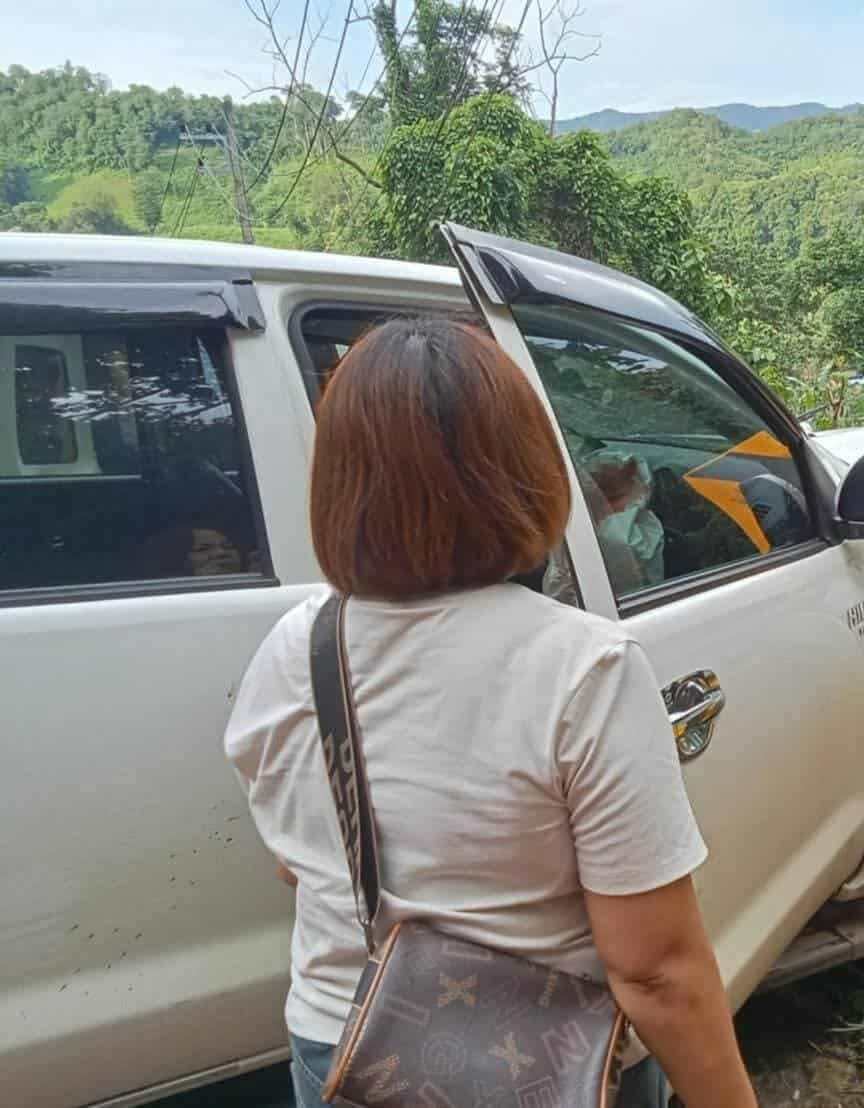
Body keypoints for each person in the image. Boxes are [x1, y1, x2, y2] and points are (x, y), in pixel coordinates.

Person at [222, 317, 756, 1108]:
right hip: (549, 1066)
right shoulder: (583, 666)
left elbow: (295, 859)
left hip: (345, 1048)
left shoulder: (294, 645)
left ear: (338, 482)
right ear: (526, 471)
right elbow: (653, 971)